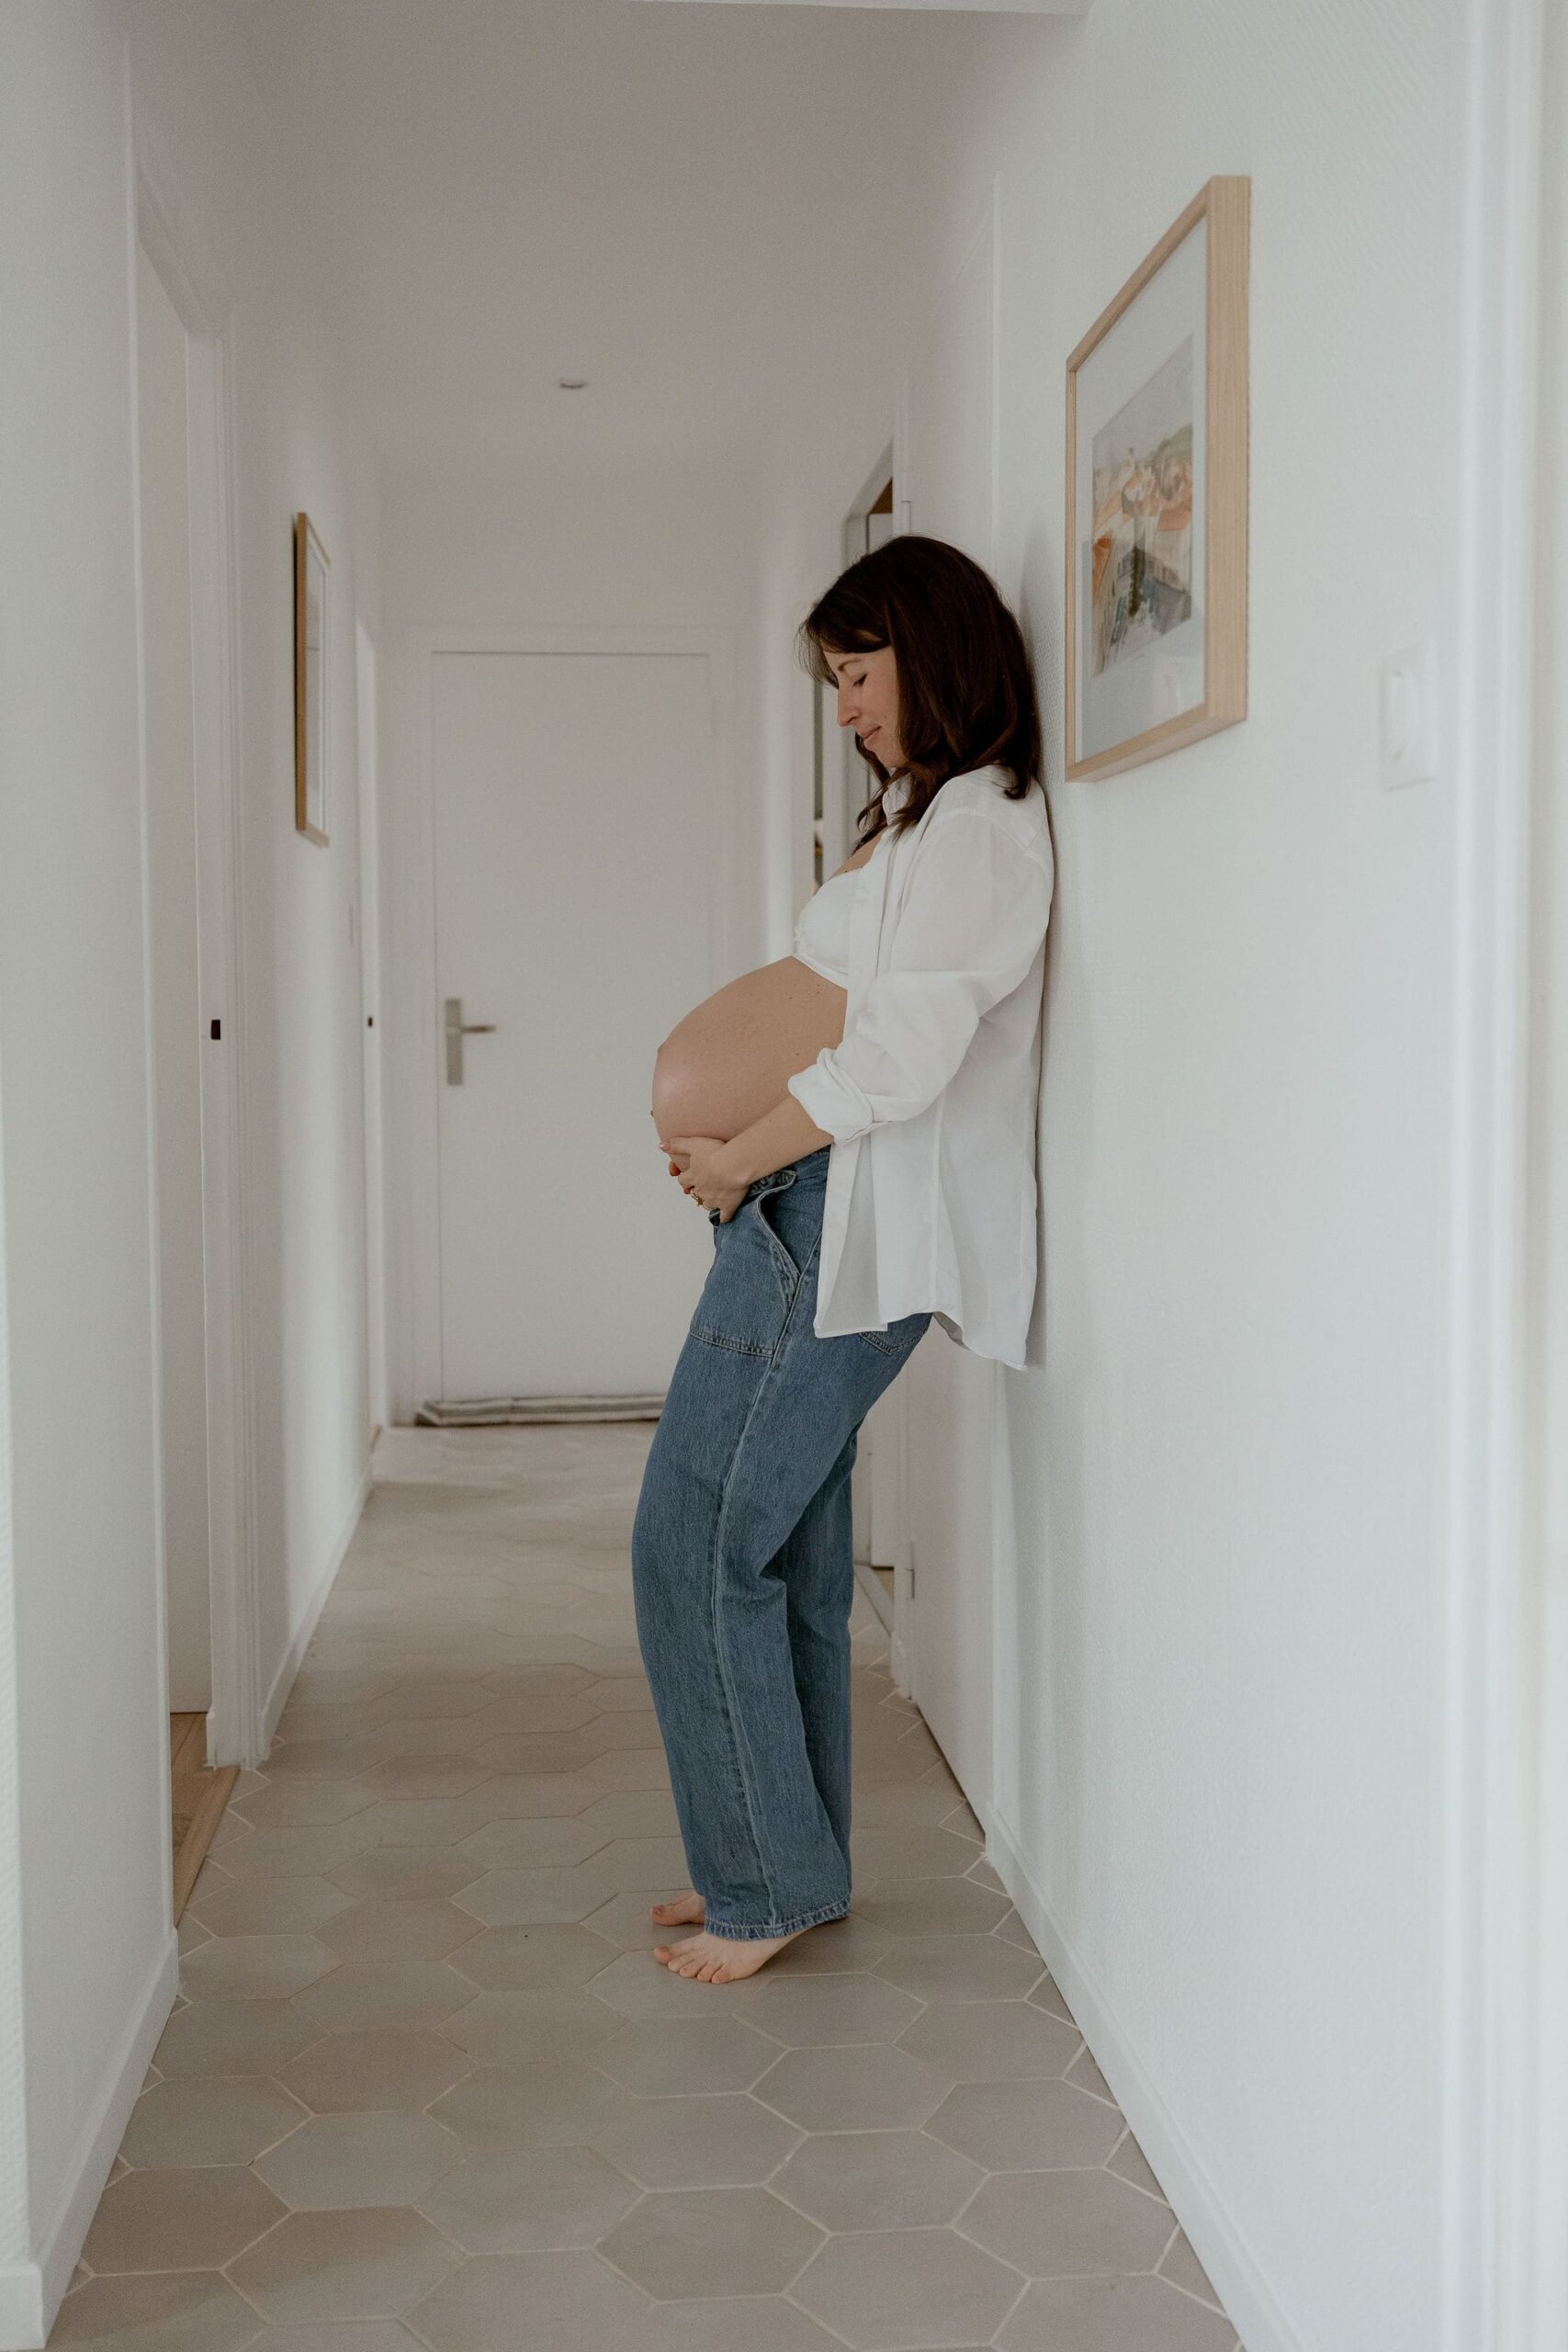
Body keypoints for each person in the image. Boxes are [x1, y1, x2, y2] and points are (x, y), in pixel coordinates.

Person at [631, 533, 1055, 1984]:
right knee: (792, 1556)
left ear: (934, 652)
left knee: (692, 1544)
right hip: (809, 1210)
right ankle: (778, 1861)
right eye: (835, 680)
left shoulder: (986, 827)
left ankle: (763, 1880)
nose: (846, 708)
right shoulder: (927, 819)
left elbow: (907, 1046)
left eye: (859, 674)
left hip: (834, 1220)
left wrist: (741, 1152)